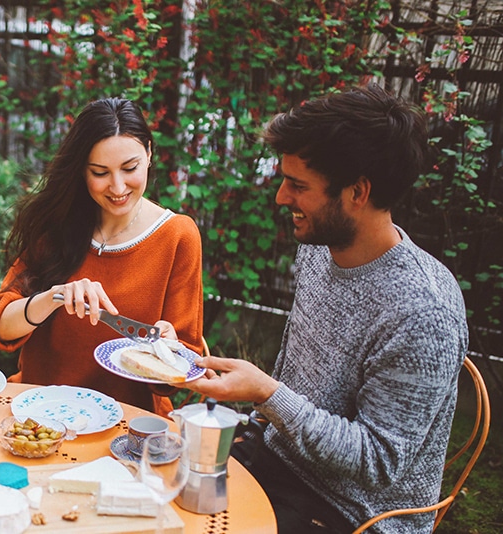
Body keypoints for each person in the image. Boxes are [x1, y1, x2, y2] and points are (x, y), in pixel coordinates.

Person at [182, 84, 468, 533]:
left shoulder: (422, 314)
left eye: (298, 185)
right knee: (152, 484)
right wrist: (257, 408)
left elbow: (377, 464)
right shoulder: (321, 249)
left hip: (353, 511)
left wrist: (268, 394)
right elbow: (299, 371)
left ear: (358, 192)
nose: (280, 197)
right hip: (278, 457)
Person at [0, 97, 205, 415]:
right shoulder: (58, 223)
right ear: (82, 170)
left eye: (129, 168)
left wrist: (168, 350)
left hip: (128, 422)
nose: (117, 187)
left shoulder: (177, 237)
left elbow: (181, 371)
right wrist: (54, 297)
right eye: (100, 172)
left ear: (149, 153)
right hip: (40, 413)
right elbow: (0, 328)